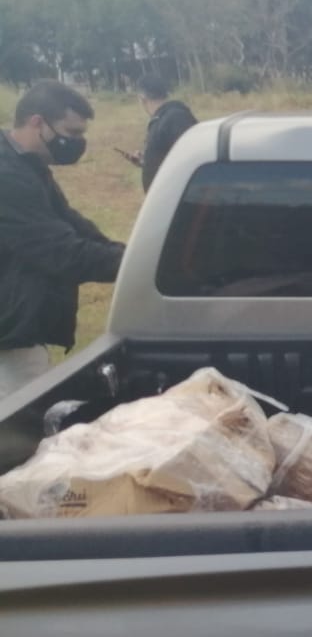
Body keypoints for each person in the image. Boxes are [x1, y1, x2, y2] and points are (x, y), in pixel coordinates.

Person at [0, 81, 126, 397]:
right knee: (25, 432)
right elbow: (58, 251)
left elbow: (68, 220)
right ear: (37, 122)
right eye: (71, 133)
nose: (76, 143)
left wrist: (129, 252)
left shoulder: (26, 163)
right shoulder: (7, 176)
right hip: (8, 337)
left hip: (18, 324)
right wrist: (134, 265)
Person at [132, 73, 197, 192]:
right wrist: (146, 160)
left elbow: (189, 159)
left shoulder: (176, 118)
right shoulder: (162, 119)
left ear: (142, 99)